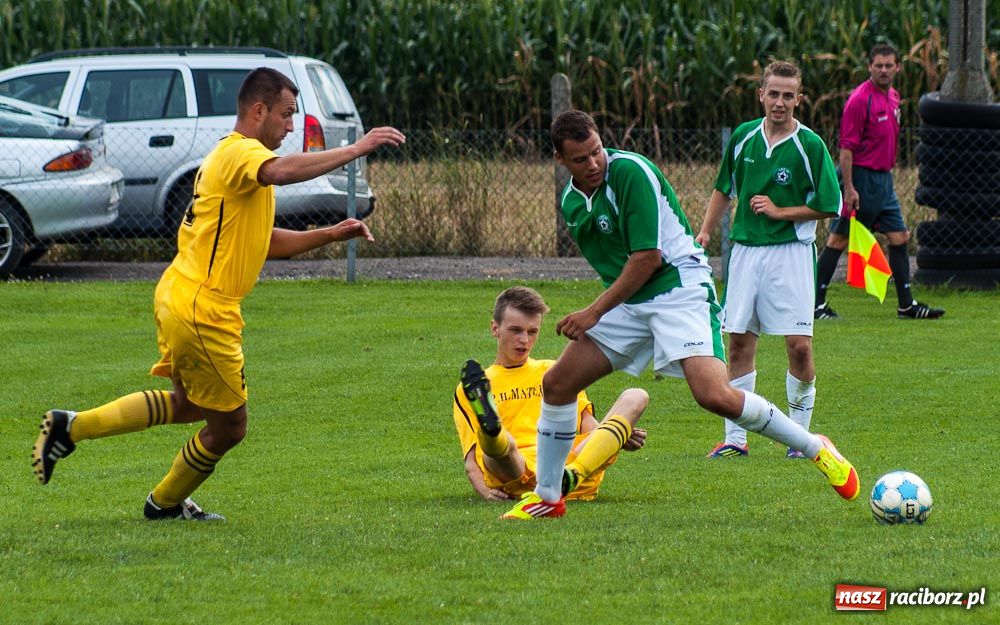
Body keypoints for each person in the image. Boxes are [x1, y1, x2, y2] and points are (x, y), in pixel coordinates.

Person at [31, 67, 406, 521]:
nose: (290, 127)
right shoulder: (242, 153)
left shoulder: (239, 164)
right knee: (230, 427)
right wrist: (357, 148)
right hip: (204, 309)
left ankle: (71, 427)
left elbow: (263, 241)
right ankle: (164, 504)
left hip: (181, 294)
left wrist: (330, 233)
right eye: (287, 115)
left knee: (189, 405)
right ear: (258, 110)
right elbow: (284, 171)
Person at [502, 109, 860, 520]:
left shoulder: (631, 173)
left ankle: (817, 448)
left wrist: (593, 313)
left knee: (713, 395)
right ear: (559, 160)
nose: (594, 163)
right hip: (632, 297)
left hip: (678, 288)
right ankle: (548, 497)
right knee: (558, 383)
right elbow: (616, 267)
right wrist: (606, 314)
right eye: (581, 159)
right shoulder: (572, 202)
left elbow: (648, 259)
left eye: (597, 151)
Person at [697, 61, 839, 460]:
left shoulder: (810, 145)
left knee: (799, 347)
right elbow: (724, 188)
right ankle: (735, 440)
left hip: (791, 255)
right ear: (761, 94)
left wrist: (781, 211)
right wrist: (706, 231)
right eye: (773, 94)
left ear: (800, 99)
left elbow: (831, 204)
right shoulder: (743, 137)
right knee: (739, 341)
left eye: (788, 95)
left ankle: (800, 440)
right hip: (744, 253)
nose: (780, 102)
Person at [454, 286, 648, 508]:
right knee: (504, 448)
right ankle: (493, 430)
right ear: (495, 329)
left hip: (567, 463)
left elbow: (589, 427)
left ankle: (570, 476)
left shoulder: (554, 371)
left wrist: (616, 435)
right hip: (518, 473)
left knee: (636, 396)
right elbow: (471, 462)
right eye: (515, 330)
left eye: (532, 331)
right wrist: (485, 491)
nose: (524, 340)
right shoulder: (476, 384)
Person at [815, 44, 944, 320]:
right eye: (878, 66)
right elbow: (846, 149)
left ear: (898, 67)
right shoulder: (860, 100)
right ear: (869, 67)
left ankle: (906, 306)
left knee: (900, 237)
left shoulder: (894, 97)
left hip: (884, 182)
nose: (884, 70)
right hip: (860, 179)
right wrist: (849, 188)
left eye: (889, 65)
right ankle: (815, 304)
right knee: (838, 239)